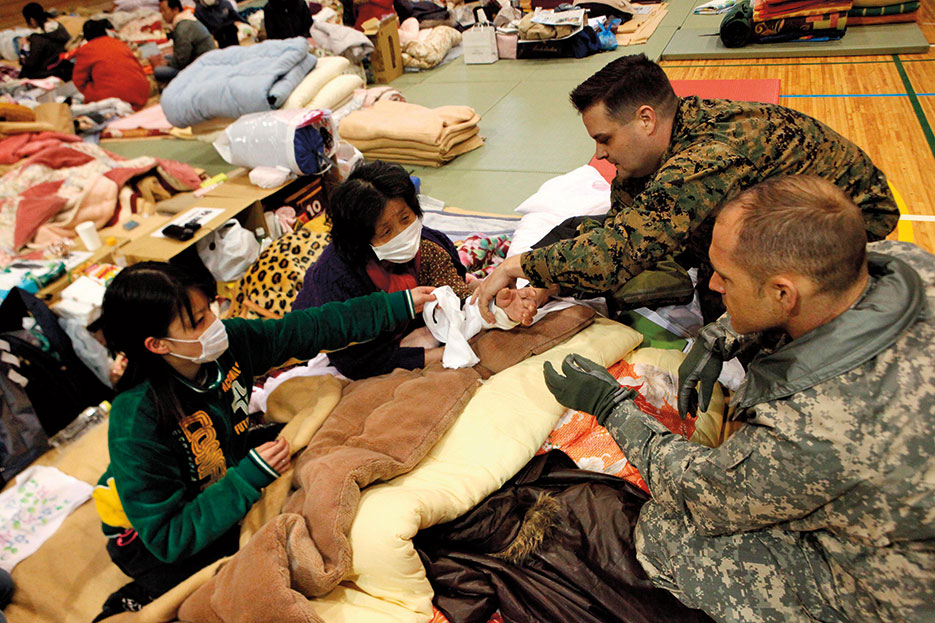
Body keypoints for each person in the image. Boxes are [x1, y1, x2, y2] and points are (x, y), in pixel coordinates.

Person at [542, 175, 935, 623]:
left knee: (667, 533)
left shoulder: (816, 428)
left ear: (783, 294)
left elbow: (701, 495)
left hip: (905, 593)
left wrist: (611, 406)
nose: (712, 286)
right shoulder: (907, 264)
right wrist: (720, 335)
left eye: (726, 278)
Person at [91, 261, 435, 619]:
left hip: (227, 471)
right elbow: (168, 537)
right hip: (155, 538)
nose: (214, 323)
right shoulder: (136, 421)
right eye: (197, 321)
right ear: (158, 344)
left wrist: (399, 305)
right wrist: (247, 479)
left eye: (210, 308)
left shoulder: (228, 345)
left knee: (321, 446)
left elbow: (307, 329)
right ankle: (132, 599)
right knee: (243, 575)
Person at [472, 54, 900, 323]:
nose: (599, 155)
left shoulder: (706, 157)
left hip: (848, 227)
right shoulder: (660, 141)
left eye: (604, 139)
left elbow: (620, 252)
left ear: (645, 119)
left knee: (732, 306)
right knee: (579, 231)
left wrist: (516, 267)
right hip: (776, 205)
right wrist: (547, 282)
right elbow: (618, 229)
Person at [293, 161, 540, 379]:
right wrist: (439, 355)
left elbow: (459, 291)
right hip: (351, 347)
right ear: (363, 241)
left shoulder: (431, 244)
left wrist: (489, 299)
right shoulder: (338, 281)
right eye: (386, 232)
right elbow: (354, 361)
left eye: (405, 218)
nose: (403, 234)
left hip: (414, 326)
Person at [72, 19, 150, 111]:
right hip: (141, 94)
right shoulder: (119, 43)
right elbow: (138, 66)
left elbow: (78, 80)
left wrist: (89, 93)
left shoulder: (86, 50)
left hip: (114, 97)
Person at [155, 0, 216, 83]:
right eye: (161, 11)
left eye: (164, 10)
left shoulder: (183, 27)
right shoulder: (185, 20)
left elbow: (181, 60)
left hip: (202, 67)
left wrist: (166, 64)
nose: (162, 14)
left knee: (158, 71)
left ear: (175, 9)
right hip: (196, 59)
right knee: (166, 57)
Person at [18, 2, 71, 80]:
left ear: (32, 20)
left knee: (24, 72)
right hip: (63, 67)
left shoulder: (38, 39)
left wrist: (23, 49)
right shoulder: (59, 28)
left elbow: (30, 64)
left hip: (48, 72)